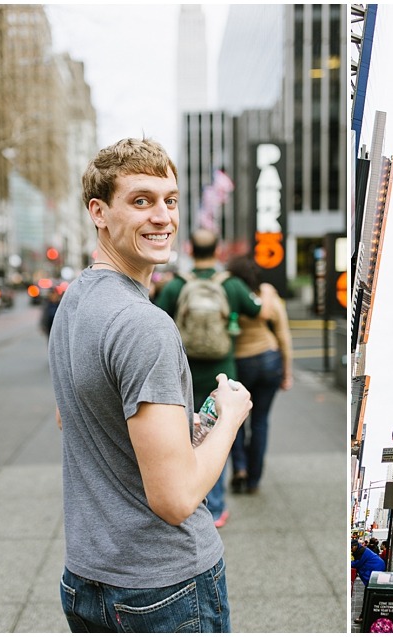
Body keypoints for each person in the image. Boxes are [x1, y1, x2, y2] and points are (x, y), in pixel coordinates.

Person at [49, 137, 254, 632]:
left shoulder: (73, 301)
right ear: (99, 212)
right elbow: (176, 497)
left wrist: (186, 433)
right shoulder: (145, 324)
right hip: (163, 587)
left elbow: (73, 417)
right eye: (141, 201)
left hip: (87, 579)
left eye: (170, 200)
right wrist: (228, 416)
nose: (163, 216)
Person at [154, 229, 276, 527]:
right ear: (218, 250)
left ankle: (187, 501)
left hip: (184, 376)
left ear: (190, 249)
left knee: (183, 437)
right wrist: (268, 294)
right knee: (216, 437)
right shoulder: (231, 285)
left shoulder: (176, 285)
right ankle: (217, 507)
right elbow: (261, 311)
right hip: (223, 377)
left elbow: (156, 321)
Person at [224, 255, 293, 495]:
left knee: (236, 422)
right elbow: (283, 335)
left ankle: (240, 468)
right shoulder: (268, 295)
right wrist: (287, 372)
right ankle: (254, 480)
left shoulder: (231, 293)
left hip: (240, 364)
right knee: (261, 422)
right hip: (269, 360)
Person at [351, 539, 385, 624]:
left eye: (351, 547)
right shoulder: (361, 550)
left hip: (375, 573)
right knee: (370, 595)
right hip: (375, 572)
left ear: (355, 546)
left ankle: (364, 617)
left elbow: (357, 563)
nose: (351, 549)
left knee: (369, 595)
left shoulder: (362, 551)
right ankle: (367, 616)